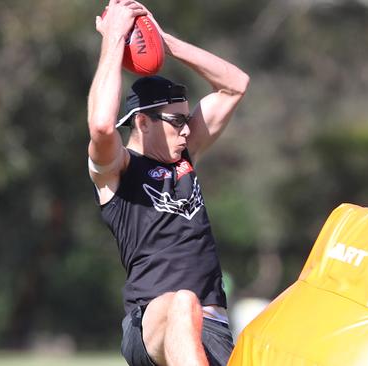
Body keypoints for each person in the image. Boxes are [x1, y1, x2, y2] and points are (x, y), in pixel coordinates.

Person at [87, 1, 249, 366]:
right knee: (182, 302)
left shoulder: (185, 154)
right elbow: (100, 126)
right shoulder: (117, 170)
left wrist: (164, 42)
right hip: (154, 324)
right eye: (176, 121)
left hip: (215, 329)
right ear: (142, 123)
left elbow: (235, 85)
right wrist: (114, 39)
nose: (188, 128)